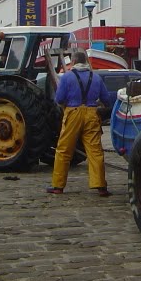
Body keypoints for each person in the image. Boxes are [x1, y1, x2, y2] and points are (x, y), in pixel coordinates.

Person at [47, 50, 115, 196]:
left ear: (73, 62)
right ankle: (100, 185)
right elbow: (106, 100)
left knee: (64, 149)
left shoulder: (67, 77)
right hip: (92, 113)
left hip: (73, 113)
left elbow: (59, 99)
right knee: (95, 151)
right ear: (86, 61)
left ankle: (58, 186)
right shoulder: (96, 78)